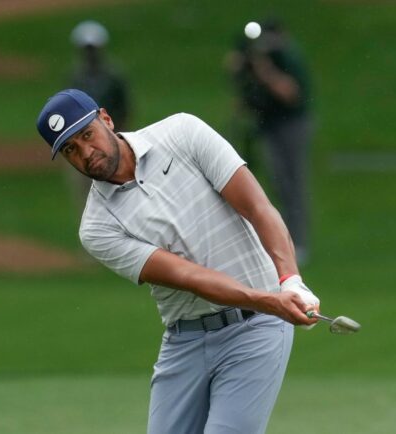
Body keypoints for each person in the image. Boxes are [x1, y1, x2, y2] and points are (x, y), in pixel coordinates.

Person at [36, 89, 321, 434]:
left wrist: (290, 281)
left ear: (107, 119)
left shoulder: (181, 133)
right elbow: (189, 277)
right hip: (185, 340)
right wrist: (270, 300)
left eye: (87, 135)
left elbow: (258, 208)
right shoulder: (97, 228)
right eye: (71, 150)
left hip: (255, 329)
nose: (86, 153)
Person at [225, 19, 313, 264]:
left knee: (291, 183)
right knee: (275, 183)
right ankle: (275, 240)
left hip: (291, 125)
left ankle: (298, 242)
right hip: (269, 125)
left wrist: (264, 69)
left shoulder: (287, 57)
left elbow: (289, 92)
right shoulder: (255, 55)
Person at [65, 20, 131, 206]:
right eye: (86, 49)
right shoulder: (75, 77)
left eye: (92, 48)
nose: (90, 53)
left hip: (111, 139)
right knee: (87, 198)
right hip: (81, 145)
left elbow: (124, 109)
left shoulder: (113, 76)